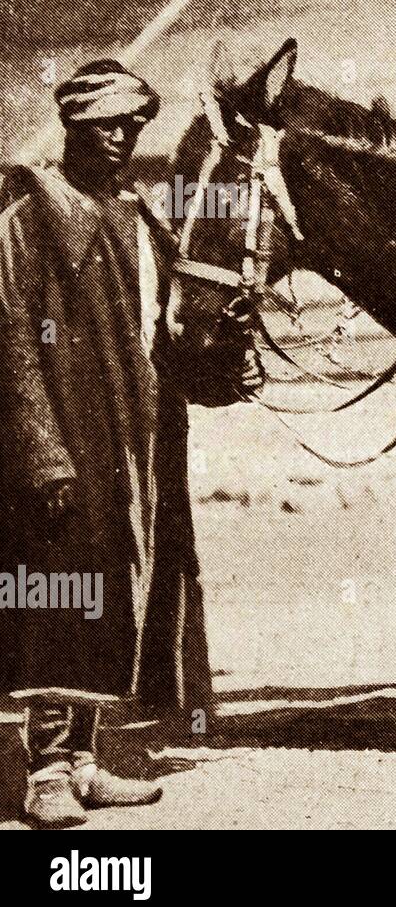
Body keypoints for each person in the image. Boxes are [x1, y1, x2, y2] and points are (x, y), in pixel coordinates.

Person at [0, 60, 261, 827]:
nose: (120, 137)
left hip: (134, 442)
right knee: (60, 592)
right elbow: (10, 343)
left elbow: (163, 327)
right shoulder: (26, 219)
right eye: (103, 125)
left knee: (114, 595)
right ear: (73, 128)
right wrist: (43, 452)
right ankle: (45, 769)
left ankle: (85, 758)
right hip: (65, 437)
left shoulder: (137, 214)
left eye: (131, 124)